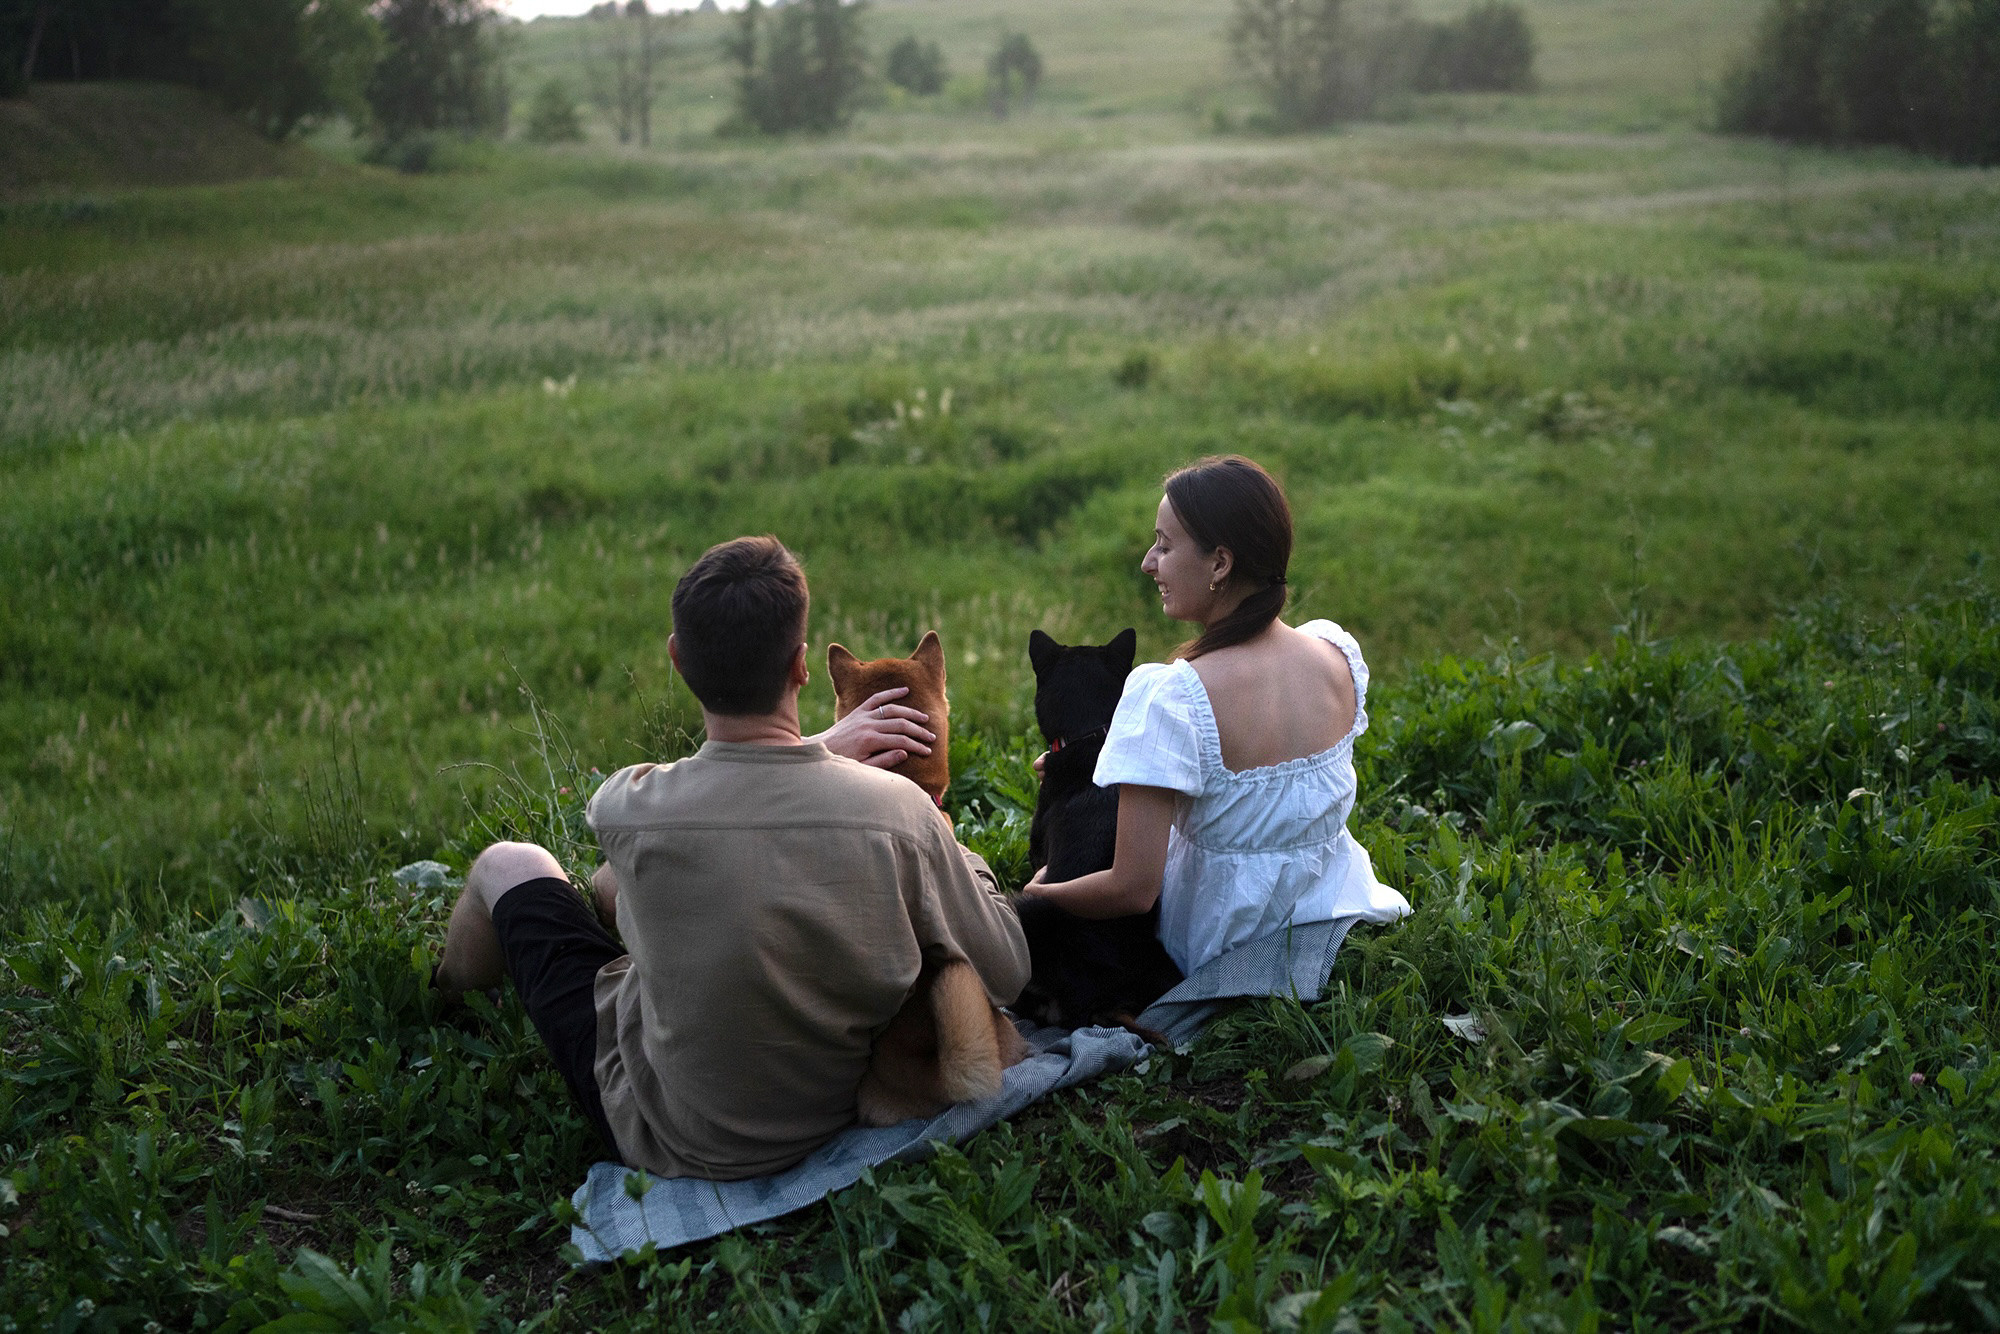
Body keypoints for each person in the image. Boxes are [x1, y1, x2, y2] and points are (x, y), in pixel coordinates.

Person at [433, 536, 1028, 1179]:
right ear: (801, 666)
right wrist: (946, 839)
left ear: (678, 661)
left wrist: (822, 744)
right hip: (827, 1116)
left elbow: (670, 814)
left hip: (669, 1134)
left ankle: (442, 1001)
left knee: (509, 864)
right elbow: (1008, 968)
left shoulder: (628, 806)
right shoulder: (900, 815)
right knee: (617, 886)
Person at [1021, 455, 1410, 985]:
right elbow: (1256, 803)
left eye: (1163, 544)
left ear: (1220, 564)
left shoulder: (1173, 695)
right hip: (1331, 908)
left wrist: (1037, 895)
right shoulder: (1333, 654)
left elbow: (1133, 890)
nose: (1147, 562)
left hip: (1224, 941)